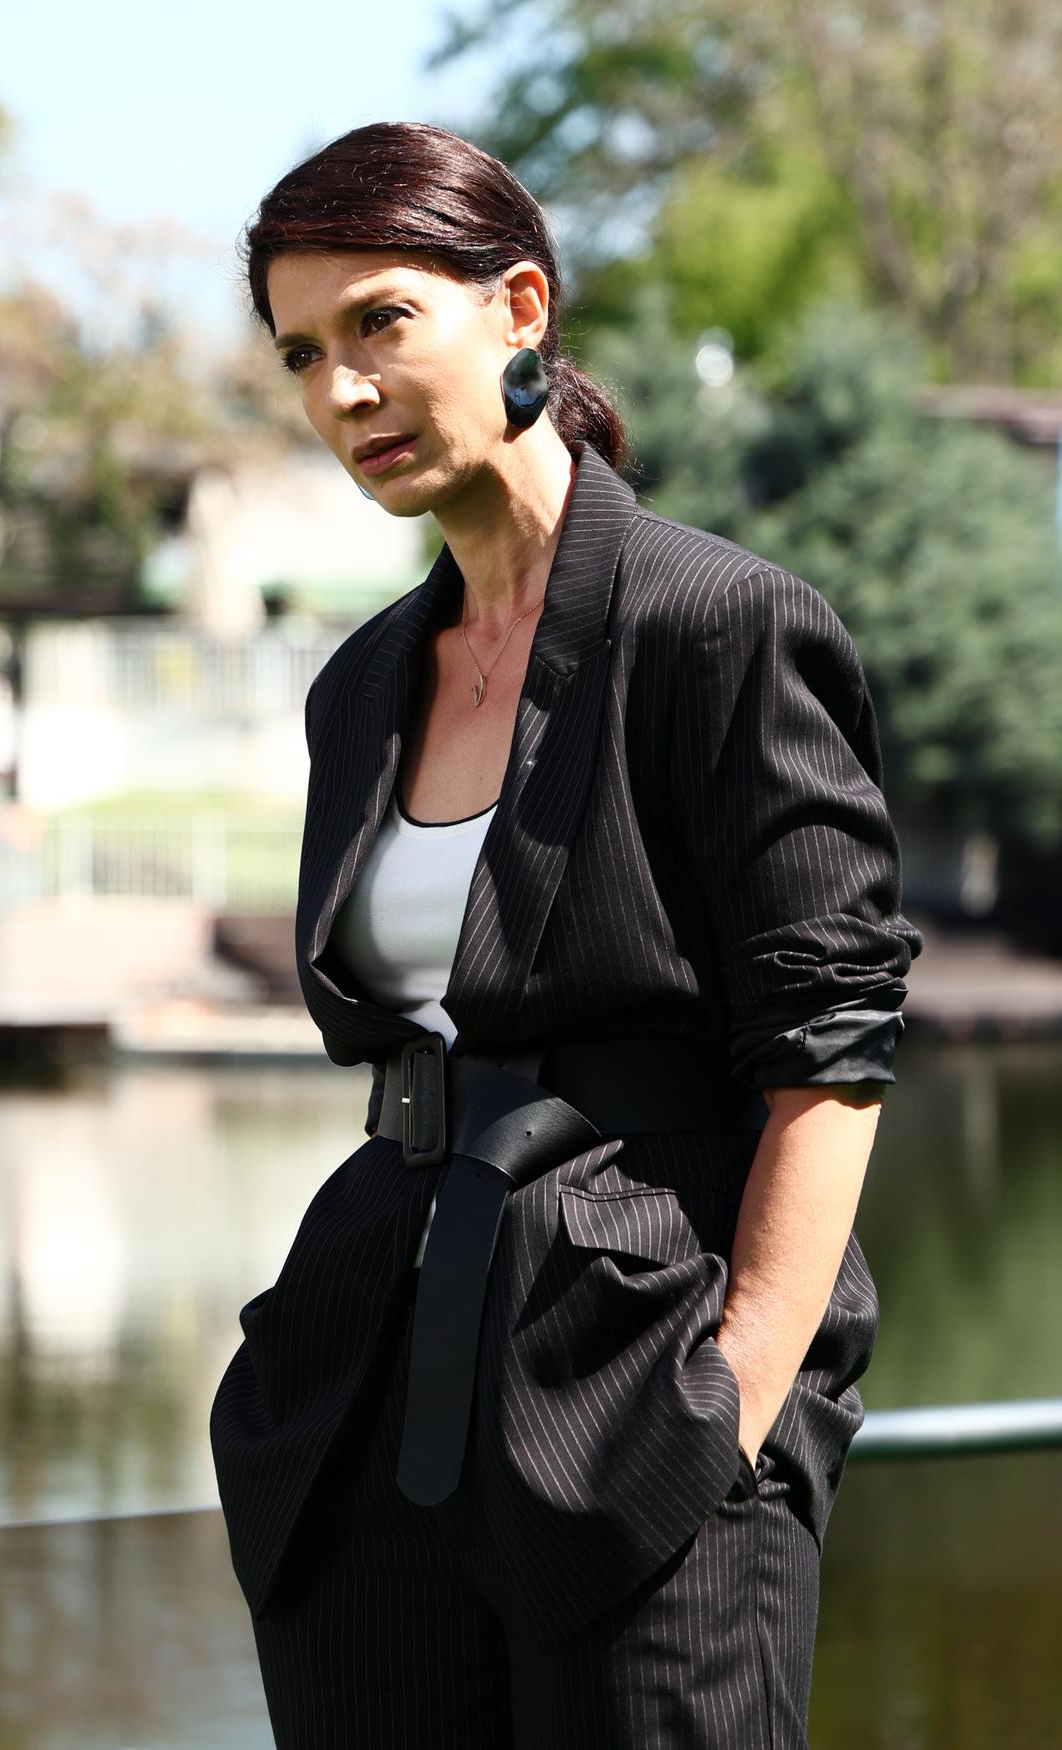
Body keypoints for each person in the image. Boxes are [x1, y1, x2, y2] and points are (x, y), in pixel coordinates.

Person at [209, 119, 923, 1749]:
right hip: (365, 1393)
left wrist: (732, 1402)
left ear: (519, 306)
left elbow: (833, 1053)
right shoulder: (361, 686)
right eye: (303, 354)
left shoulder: (716, 624)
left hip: (639, 1386)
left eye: (383, 322)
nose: (343, 392)